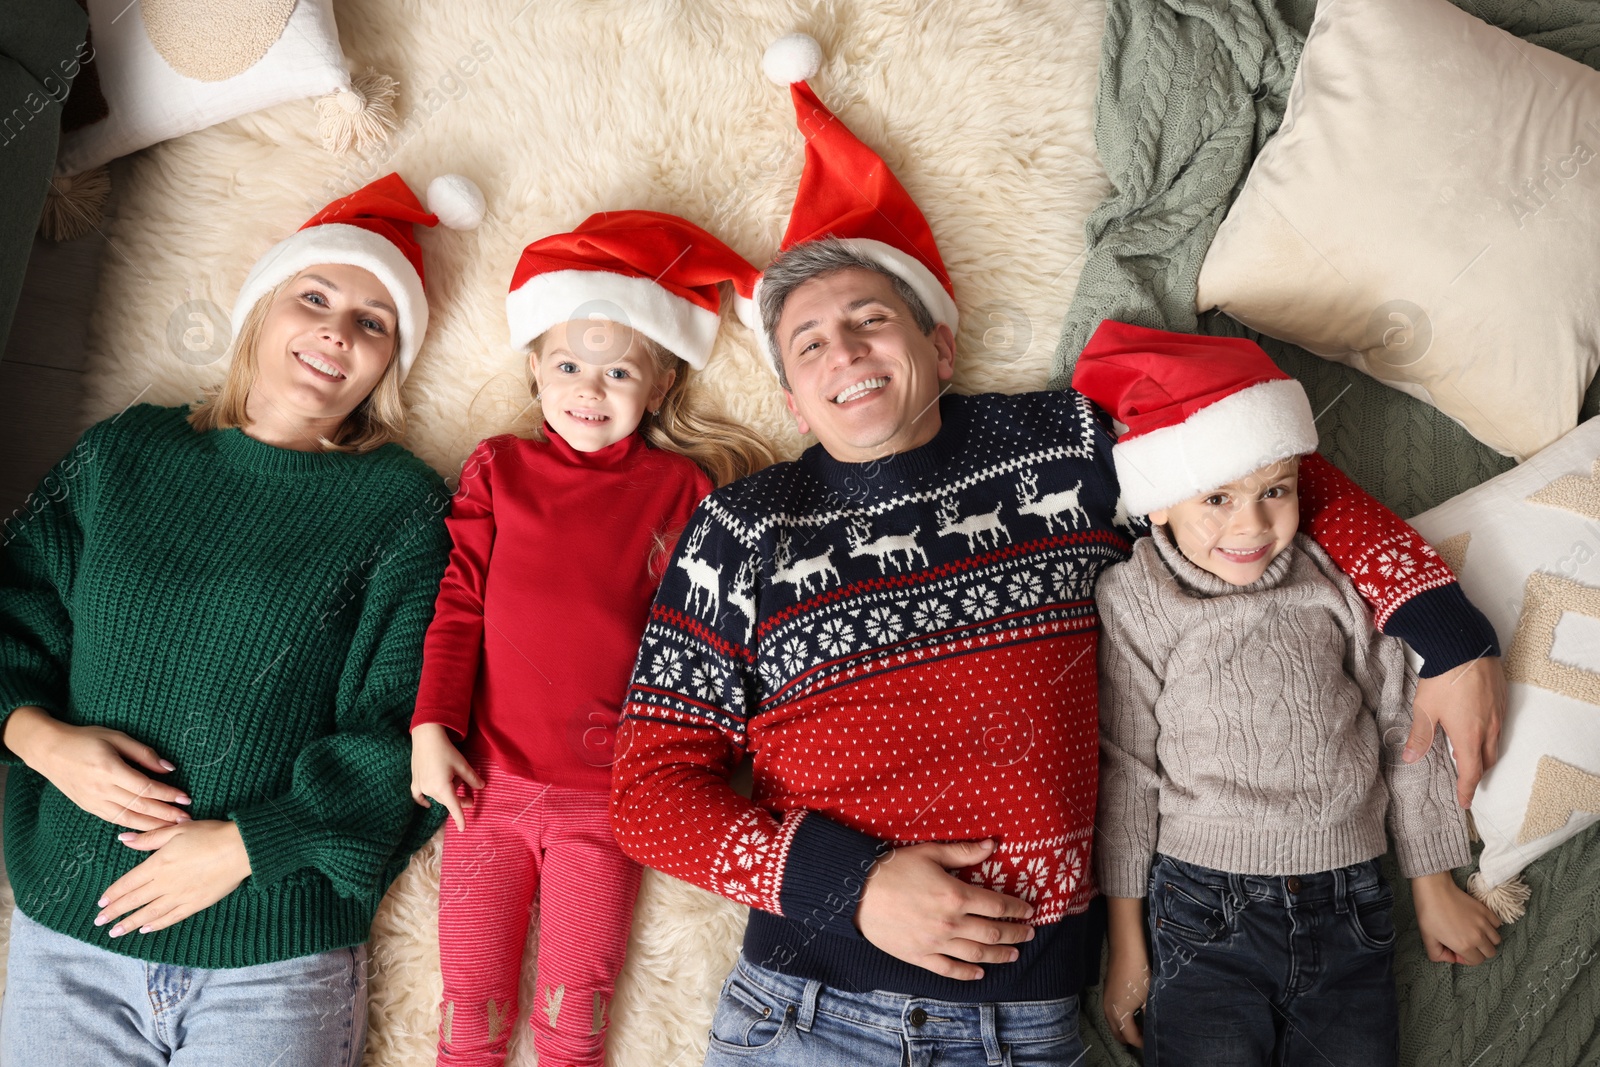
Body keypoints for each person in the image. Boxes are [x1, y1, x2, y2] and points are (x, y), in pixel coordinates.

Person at [610, 36, 1508, 1066]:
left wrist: (1440, 627)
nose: (845, 351)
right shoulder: (743, 528)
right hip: (817, 1009)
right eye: (808, 343)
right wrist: (844, 882)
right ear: (788, 397)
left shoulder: (1064, 446)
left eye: (871, 319)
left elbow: (1262, 470)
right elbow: (649, 793)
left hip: (1029, 1028)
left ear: (940, 344)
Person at [0, 171, 482, 1066]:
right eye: (316, 296)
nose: (339, 329)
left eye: (374, 322)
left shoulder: (404, 509)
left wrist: (250, 844)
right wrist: (38, 738)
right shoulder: (125, 454)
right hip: (71, 936)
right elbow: (12, 605)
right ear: (261, 311)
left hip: (272, 954)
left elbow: (410, 727)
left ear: (388, 364)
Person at [408, 211, 776, 1067]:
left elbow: (701, 636)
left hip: (608, 799)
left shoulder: (678, 488)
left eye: (618, 372)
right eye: (570, 364)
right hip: (484, 788)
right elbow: (458, 604)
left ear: (658, 388)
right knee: (471, 1015)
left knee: (576, 1019)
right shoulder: (499, 467)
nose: (590, 387)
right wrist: (431, 728)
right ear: (535, 369)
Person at [1077, 328, 1501, 1064]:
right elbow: (1127, 773)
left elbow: (1403, 720)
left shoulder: (1329, 581)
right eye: (1217, 497)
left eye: (1276, 489)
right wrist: (1127, 945)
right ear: (1159, 506)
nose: (1252, 524)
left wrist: (1431, 884)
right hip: (1203, 910)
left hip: (1352, 903)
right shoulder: (1138, 599)